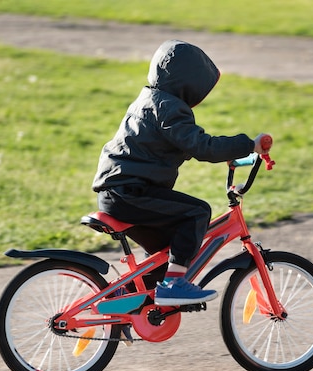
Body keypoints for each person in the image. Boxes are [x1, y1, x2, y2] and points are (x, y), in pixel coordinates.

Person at [92, 40, 270, 306]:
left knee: (168, 255)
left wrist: (231, 155)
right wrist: (249, 145)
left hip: (119, 191)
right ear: (189, 83)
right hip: (131, 192)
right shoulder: (169, 108)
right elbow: (202, 146)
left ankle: (123, 300)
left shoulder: (149, 100)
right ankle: (174, 285)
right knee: (197, 213)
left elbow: (181, 144)